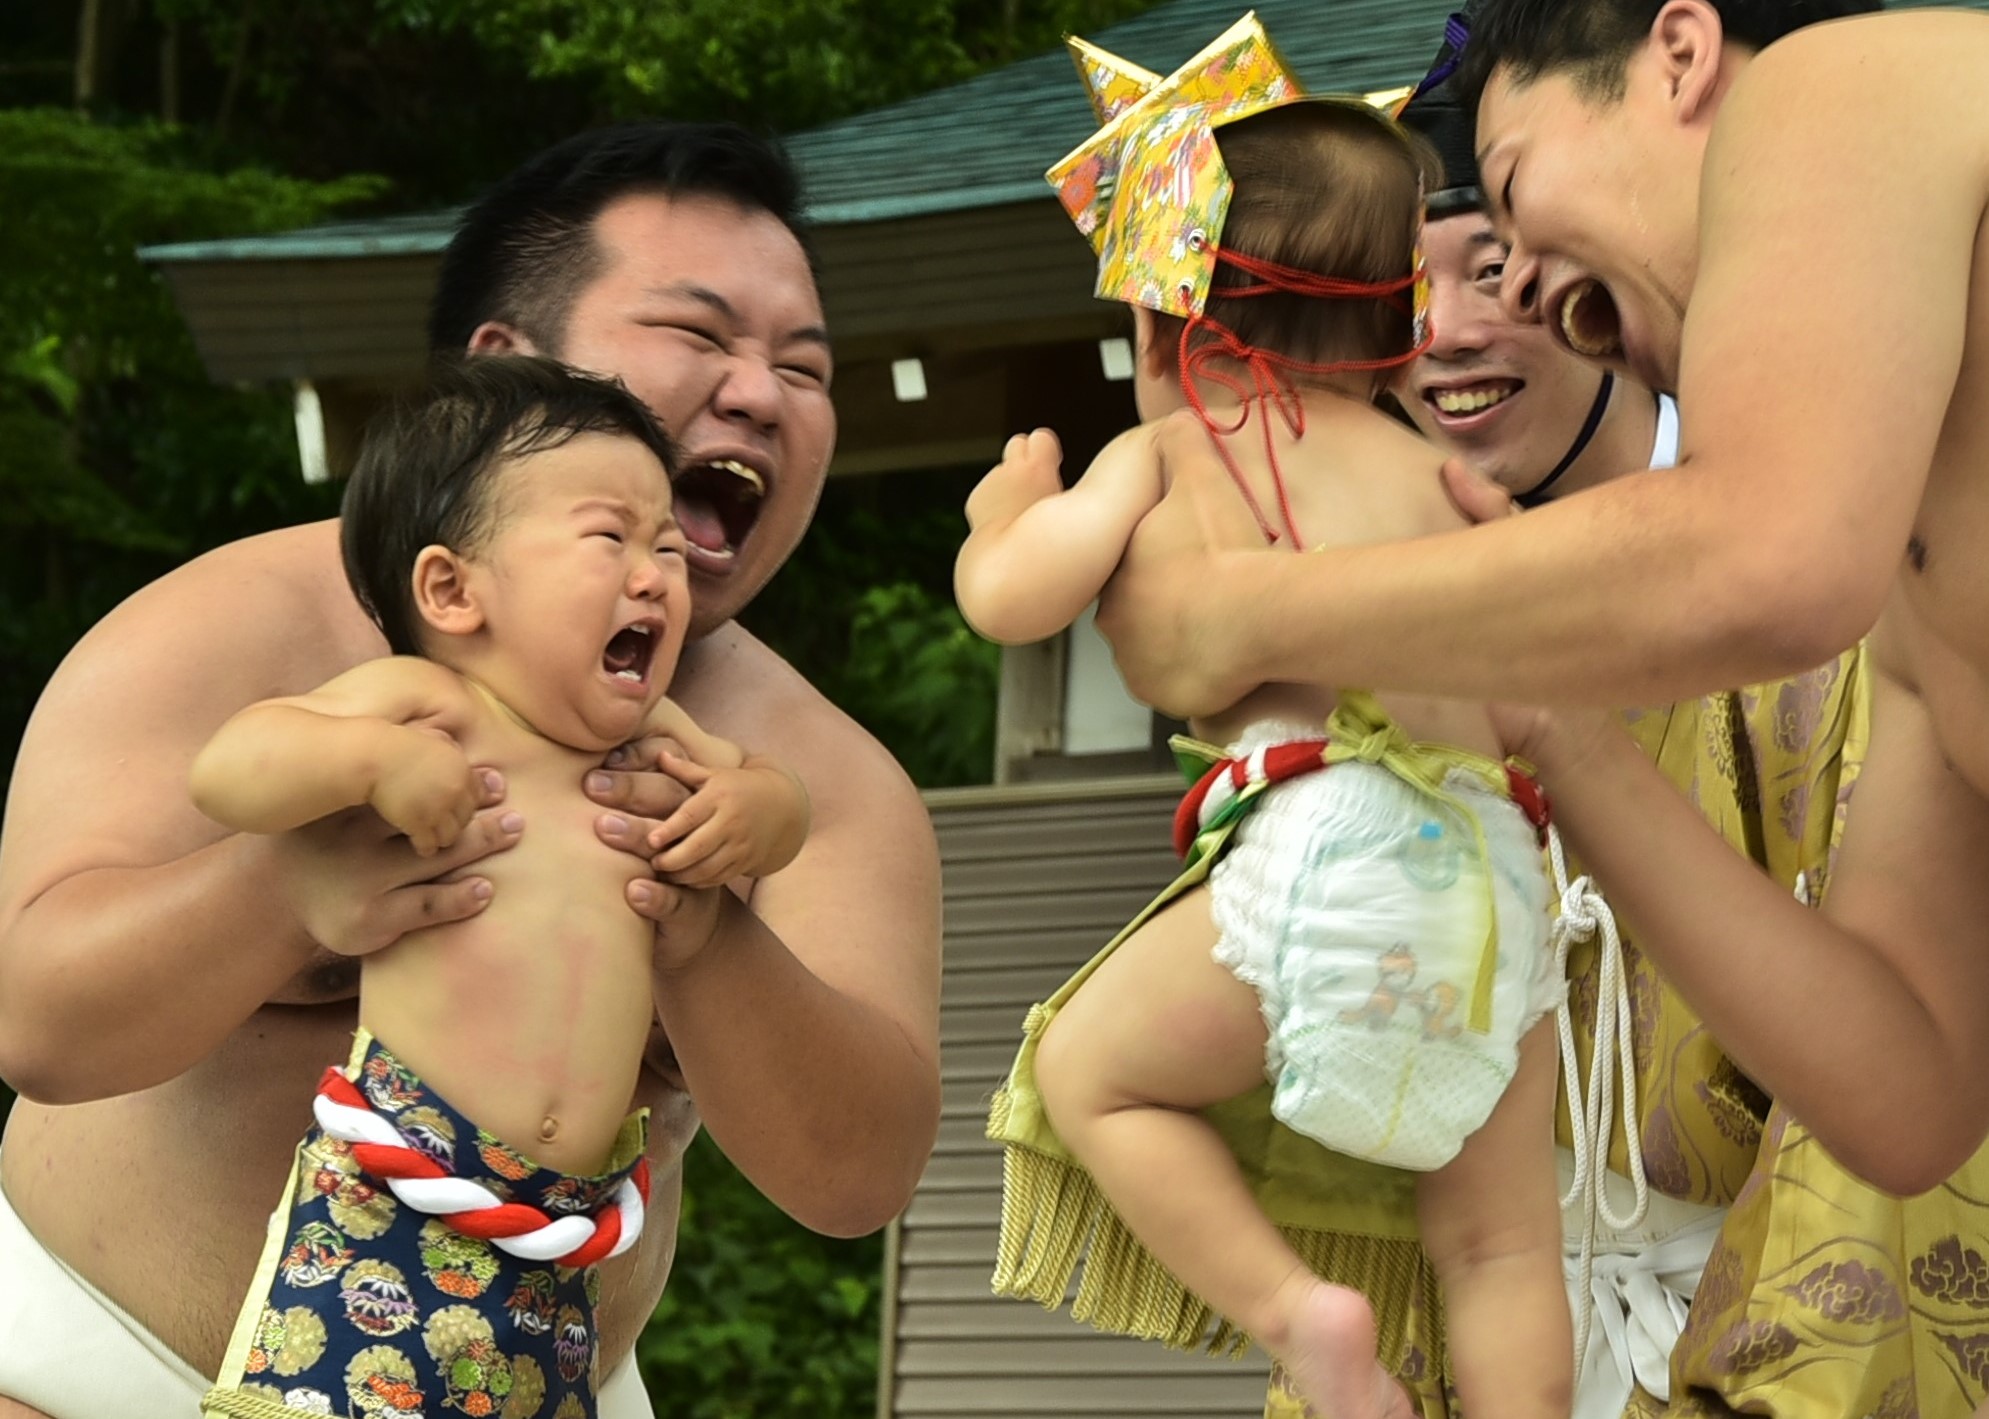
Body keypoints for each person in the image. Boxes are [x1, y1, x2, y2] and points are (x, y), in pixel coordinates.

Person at [0, 122, 941, 1419]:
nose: (761, 394)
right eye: (699, 333)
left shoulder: (802, 773)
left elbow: (856, 1174)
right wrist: (285, 891)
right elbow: (39, 1026)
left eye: (804, 367)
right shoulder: (238, 634)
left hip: (527, 1378)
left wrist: (701, 929)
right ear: (502, 370)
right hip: (75, 1364)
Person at [1086, 0, 1989, 1198]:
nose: (1517, 293)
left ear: (1682, 56)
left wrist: (1240, 611)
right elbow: (1906, 1097)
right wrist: (1554, 728)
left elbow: (1765, 561)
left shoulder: (1846, 77)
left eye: (1511, 190)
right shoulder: (1922, 596)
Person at [964, 30, 1570, 1419]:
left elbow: (1013, 600)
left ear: (1169, 323)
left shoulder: (1176, 447)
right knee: (1498, 1238)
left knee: (1094, 1076)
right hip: (1496, 877)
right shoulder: (1440, 477)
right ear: (1393, 321)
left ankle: (1300, 1314)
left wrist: (1006, 514)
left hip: (1327, 838)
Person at [187, 356, 812, 1416]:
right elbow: (229, 768)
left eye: (668, 547)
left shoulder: (658, 741)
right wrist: (371, 762)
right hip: (395, 1202)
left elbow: (780, 802)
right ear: (452, 591)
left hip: (558, 1238)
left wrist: (754, 809)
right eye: (611, 538)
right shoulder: (429, 706)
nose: (656, 574)